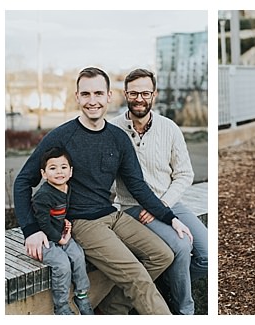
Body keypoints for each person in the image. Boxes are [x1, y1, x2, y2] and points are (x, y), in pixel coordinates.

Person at [13, 66, 193, 315]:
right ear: (77, 97)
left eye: (98, 93)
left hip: (113, 215)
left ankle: (110, 310)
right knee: (137, 276)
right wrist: (30, 230)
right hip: (83, 223)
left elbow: (138, 187)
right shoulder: (62, 136)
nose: (92, 101)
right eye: (86, 94)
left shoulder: (118, 138)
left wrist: (170, 218)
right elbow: (23, 181)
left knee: (162, 254)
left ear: (109, 96)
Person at [109, 68, 208, 315]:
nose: (139, 99)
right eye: (133, 93)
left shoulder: (169, 128)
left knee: (207, 254)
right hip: (134, 207)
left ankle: (165, 286)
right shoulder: (113, 130)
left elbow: (185, 174)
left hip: (169, 203)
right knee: (183, 245)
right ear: (125, 94)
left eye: (145, 93)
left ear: (155, 94)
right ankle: (184, 310)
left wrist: (162, 205)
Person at [32, 147, 94, 315]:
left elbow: (59, 213)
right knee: (62, 265)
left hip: (61, 233)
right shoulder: (43, 195)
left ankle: (81, 295)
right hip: (44, 239)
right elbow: (43, 223)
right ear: (44, 174)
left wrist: (63, 223)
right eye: (53, 168)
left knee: (78, 255)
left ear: (71, 171)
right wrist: (59, 239)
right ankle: (61, 307)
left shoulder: (67, 187)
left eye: (63, 167)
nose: (59, 172)